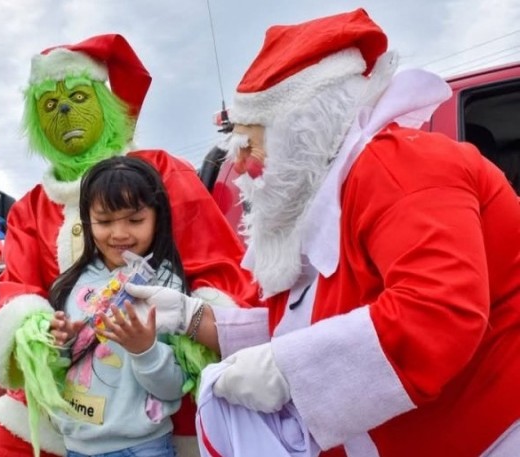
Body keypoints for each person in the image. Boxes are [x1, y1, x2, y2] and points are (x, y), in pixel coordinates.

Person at [124, 8, 520, 457]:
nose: (238, 166)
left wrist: (285, 371)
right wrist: (194, 317)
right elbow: (307, 327)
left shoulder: (400, 167)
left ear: (301, 129)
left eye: (249, 144)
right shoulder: (323, 200)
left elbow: (436, 312)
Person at [0, 34, 259, 457]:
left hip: (161, 413)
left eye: (78, 96)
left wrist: (186, 331)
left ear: (106, 102)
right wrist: (42, 330)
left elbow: (218, 268)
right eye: (48, 105)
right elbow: (18, 292)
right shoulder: (31, 207)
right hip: (62, 405)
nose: (64, 110)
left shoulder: (161, 172)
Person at [45, 155, 188, 457]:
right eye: (105, 221)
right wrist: (61, 344)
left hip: (144, 446)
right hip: (77, 447)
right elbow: (53, 372)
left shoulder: (167, 287)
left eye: (135, 220)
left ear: (157, 217)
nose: (120, 233)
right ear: (87, 221)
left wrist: (145, 350)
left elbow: (174, 388)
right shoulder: (71, 285)